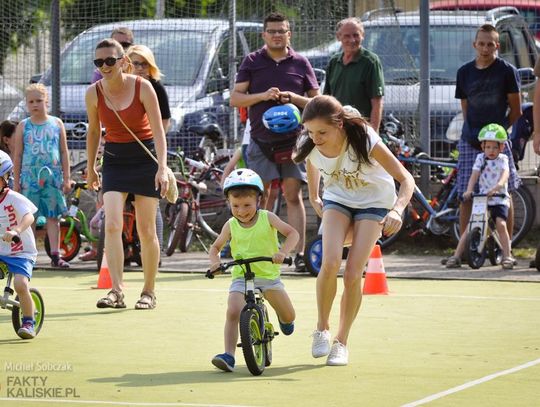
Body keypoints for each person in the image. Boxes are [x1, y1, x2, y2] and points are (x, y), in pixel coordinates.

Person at [294, 95, 414, 366]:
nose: (316, 138)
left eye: (322, 132)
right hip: (338, 199)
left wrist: (397, 209)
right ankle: (321, 328)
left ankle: (341, 342)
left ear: (339, 125)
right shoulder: (311, 143)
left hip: (374, 203)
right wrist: (314, 196)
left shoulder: (363, 137)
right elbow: (312, 162)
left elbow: (406, 178)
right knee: (330, 262)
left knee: (351, 273)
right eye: (310, 132)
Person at [230, 12, 320, 272]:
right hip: (261, 140)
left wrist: (293, 98)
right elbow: (236, 98)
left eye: (282, 31)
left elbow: (317, 101)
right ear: (264, 35)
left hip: (295, 143)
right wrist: (262, 96)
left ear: (289, 34)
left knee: (293, 196)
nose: (277, 35)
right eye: (272, 31)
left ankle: (300, 254)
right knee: (262, 196)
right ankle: (262, 251)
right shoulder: (252, 61)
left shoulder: (301, 63)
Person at [85, 38, 168, 310]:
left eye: (110, 60)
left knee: (146, 230)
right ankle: (116, 291)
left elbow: (158, 130)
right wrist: (90, 167)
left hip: (144, 158)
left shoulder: (143, 87)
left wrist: (162, 168)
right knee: (111, 224)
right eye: (99, 62)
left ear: (123, 61)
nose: (105, 66)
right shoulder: (93, 93)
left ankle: (149, 291)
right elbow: (95, 131)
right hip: (114, 161)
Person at [208, 168, 299, 372]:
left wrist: (283, 251)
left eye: (247, 205)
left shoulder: (268, 218)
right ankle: (228, 356)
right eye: (236, 206)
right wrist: (214, 263)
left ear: (259, 199)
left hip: (268, 277)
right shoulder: (230, 225)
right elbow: (215, 247)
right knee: (233, 310)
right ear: (229, 203)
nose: (241, 211)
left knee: (289, 316)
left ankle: (283, 321)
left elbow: (292, 233)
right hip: (242, 276)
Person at [447, 24, 522, 268]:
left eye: (491, 44)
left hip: (498, 142)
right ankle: (464, 250)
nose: (486, 48)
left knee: (504, 195)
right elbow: (466, 107)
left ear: (497, 46)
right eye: (482, 43)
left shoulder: (507, 71)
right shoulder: (464, 72)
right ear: (474, 45)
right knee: (466, 196)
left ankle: (505, 251)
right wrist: (478, 136)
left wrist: (497, 137)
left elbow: (516, 109)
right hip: (471, 141)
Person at [11, 83, 71, 268]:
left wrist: (67, 177)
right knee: (30, 216)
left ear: (46, 101)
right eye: (31, 102)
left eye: (39, 100)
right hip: (30, 179)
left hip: (52, 178)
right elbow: (18, 154)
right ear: (27, 104)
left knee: (53, 217)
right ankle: (29, 255)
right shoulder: (23, 125)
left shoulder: (56, 123)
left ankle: (55, 255)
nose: (35, 105)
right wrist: (17, 181)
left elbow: (63, 151)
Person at [127, 44, 172, 254]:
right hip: (123, 154)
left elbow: (164, 123)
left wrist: (153, 145)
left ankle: (156, 251)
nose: (140, 68)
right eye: (135, 63)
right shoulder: (121, 87)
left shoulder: (156, 88)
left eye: (144, 64)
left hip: (149, 152)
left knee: (149, 205)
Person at [449, 124, 514, 269]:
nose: (491, 151)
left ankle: (508, 256)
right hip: (482, 197)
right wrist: (469, 190)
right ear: (482, 146)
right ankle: (456, 256)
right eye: (488, 147)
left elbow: (505, 175)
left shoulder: (503, 159)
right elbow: (474, 175)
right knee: (470, 225)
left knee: (501, 224)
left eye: (495, 147)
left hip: (499, 198)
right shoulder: (480, 158)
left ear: (501, 147)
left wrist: (498, 187)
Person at [0, 151, 39, 339]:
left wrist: (16, 230)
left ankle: (29, 321)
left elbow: (29, 216)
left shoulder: (14, 198)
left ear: (6, 178)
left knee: (20, 284)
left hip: (20, 252)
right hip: (1, 251)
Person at [323, 17, 384, 132]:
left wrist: (373, 135)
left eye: (356, 35)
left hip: (360, 129)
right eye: (347, 36)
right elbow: (327, 99)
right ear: (338, 37)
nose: (352, 40)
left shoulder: (370, 61)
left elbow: (377, 102)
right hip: (337, 128)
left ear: (363, 35)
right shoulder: (334, 62)